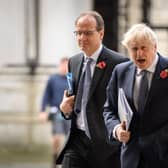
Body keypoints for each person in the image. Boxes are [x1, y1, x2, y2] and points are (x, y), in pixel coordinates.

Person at [56, 11, 128, 168]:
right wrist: (65, 109)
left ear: (101, 34)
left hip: (106, 145)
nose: (82, 38)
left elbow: (126, 104)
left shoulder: (119, 63)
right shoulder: (73, 62)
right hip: (77, 141)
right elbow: (72, 99)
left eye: (87, 33)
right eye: (78, 33)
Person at [103, 23, 168, 168]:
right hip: (131, 158)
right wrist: (116, 129)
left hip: (163, 155)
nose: (139, 54)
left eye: (144, 48)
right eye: (134, 49)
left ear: (155, 47)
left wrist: (158, 140)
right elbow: (109, 109)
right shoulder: (120, 71)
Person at [40, 57, 71, 168]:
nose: (64, 68)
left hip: (69, 114)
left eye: (66, 66)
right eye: (63, 65)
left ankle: (67, 162)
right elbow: (46, 95)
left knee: (70, 139)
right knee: (56, 138)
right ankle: (55, 160)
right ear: (60, 66)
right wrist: (42, 111)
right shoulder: (53, 79)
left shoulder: (71, 79)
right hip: (56, 112)